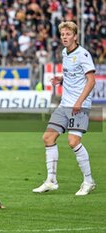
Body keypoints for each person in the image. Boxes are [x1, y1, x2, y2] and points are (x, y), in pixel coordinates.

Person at [32, 21, 96, 196]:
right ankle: (51, 180)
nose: (65, 37)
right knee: (48, 137)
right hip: (65, 103)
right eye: (62, 35)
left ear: (75, 36)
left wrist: (79, 102)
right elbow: (73, 74)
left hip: (79, 105)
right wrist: (62, 79)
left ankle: (89, 181)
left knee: (73, 142)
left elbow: (91, 81)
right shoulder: (64, 53)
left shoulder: (83, 54)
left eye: (68, 34)